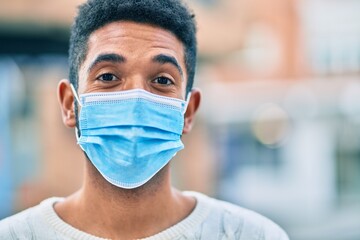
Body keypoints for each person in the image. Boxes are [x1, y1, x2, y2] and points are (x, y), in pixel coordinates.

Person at [0, 0, 289, 239]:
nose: (136, 99)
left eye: (162, 80)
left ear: (188, 111)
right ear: (69, 104)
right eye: (108, 77)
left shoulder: (249, 235)